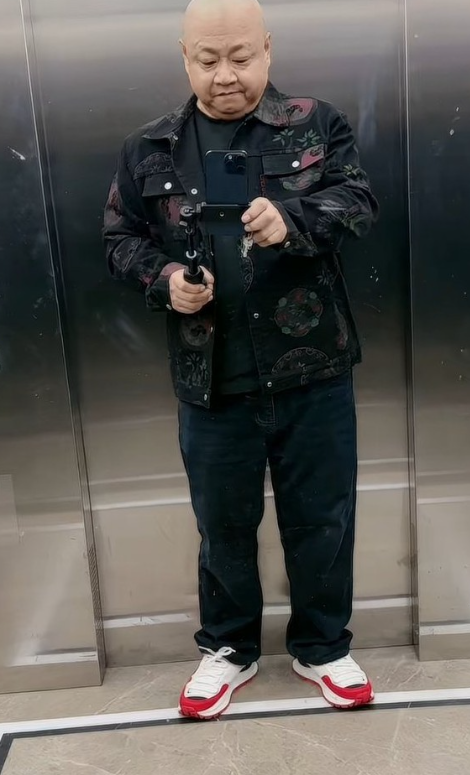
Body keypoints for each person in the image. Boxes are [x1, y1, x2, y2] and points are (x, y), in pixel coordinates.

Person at [103, 0, 379, 721]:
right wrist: (165, 281)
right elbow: (120, 238)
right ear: (184, 56)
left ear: (267, 49)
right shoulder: (149, 148)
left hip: (313, 369)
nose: (225, 75)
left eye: (240, 57)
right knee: (221, 524)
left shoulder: (315, 124)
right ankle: (228, 648)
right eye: (207, 59)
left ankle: (322, 646)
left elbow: (358, 202)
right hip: (211, 375)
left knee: (323, 518)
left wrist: (293, 220)